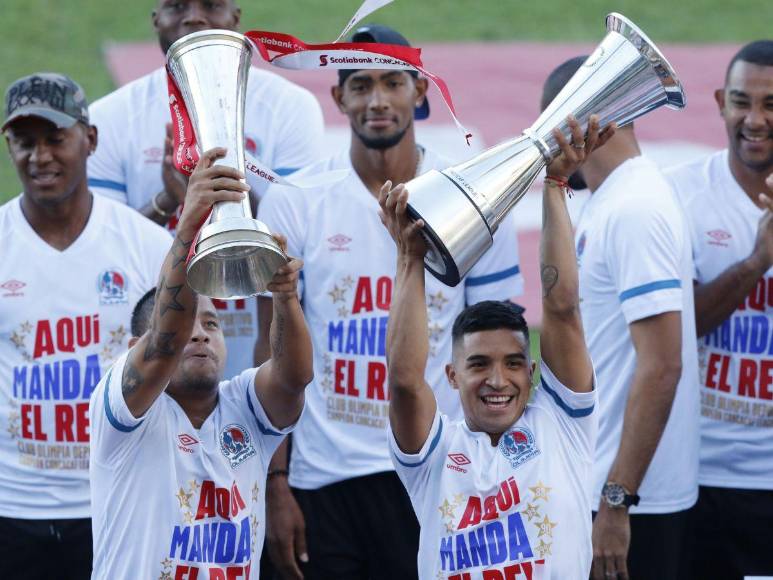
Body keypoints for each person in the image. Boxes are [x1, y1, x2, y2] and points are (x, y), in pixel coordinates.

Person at [257, 25, 524, 579]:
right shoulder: (296, 199)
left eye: (392, 83)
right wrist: (274, 480)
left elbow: (502, 343)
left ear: (419, 91)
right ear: (338, 98)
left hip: (437, 467)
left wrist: (498, 468)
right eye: (361, 85)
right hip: (325, 477)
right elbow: (272, 348)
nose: (377, 100)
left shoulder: (471, 193)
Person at [383, 115, 612, 578]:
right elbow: (405, 383)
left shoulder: (561, 425)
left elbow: (562, 308)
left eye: (513, 363)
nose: (497, 379)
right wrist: (410, 259)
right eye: (479, 364)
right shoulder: (436, 453)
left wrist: (554, 183)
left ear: (532, 372)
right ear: (451, 376)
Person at [88, 146, 313, 579]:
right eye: (190, 321)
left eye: (212, 323)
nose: (200, 332)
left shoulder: (244, 405)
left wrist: (283, 296)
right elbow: (164, 345)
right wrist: (188, 228)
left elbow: (294, 378)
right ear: (135, 345)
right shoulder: (122, 411)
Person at [87, 0, 325, 380]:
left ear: (236, 18)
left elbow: (305, 239)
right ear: (155, 21)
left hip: (259, 337)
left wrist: (232, 196)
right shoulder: (112, 115)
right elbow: (103, 251)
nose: (194, 16)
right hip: (155, 349)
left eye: (212, 5)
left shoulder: (290, 107)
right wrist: (171, 202)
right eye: (176, 5)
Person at [0, 72, 171, 579]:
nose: (40, 156)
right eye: (24, 143)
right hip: (14, 506)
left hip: (119, 500)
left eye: (55, 139)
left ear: (90, 139)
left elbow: (181, 367)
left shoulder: (145, 245)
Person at [540, 58, 701, 580]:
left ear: (578, 121)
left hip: (630, 502)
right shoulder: (615, 200)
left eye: (548, 127)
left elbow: (662, 366)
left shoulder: (635, 207)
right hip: (612, 485)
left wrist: (616, 501)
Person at [665, 40, 773, 579]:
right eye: (741, 101)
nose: (754, 119)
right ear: (719, 102)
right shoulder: (680, 197)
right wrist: (757, 262)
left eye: (771, 104)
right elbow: (677, 329)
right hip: (702, 473)